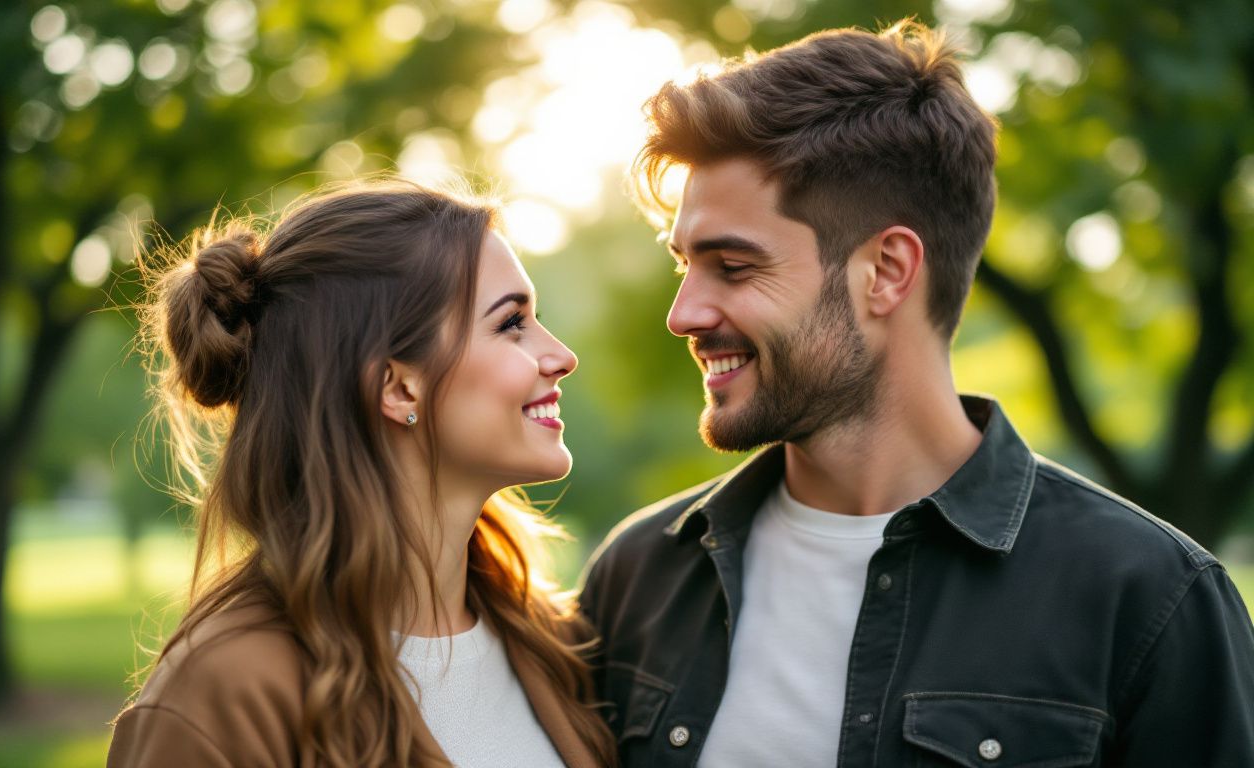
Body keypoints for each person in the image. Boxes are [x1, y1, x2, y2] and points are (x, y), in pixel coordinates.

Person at [579, 21, 1254, 768]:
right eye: (685, 267)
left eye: (732, 267)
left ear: (888, 270)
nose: (685, 315)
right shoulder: (639, 576)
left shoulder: (1152, 598)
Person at [108, 181, 616, 767]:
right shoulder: (219, 698)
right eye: (510, 324)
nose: (561, 355)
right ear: (399, 387)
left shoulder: (556, 641)